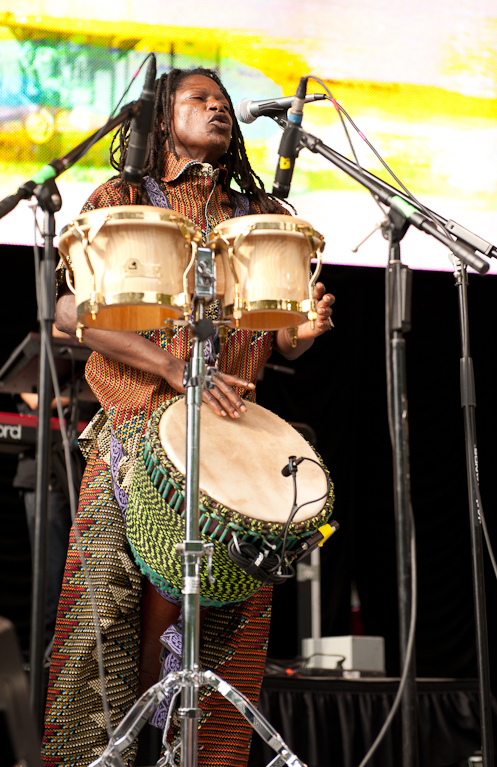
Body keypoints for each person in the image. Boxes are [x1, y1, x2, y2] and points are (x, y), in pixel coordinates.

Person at [41, 65, 335, 767]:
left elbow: (282, 332)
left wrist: (305, 329)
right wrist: (174, 369)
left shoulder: (261, 215)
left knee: (222, 623)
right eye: (200, 98)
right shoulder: (122, 198)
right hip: (138, 427)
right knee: (106, 617)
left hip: (230, 442)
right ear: (160, 117)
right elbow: (67, 313)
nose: (218, 109)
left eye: (224, 101)